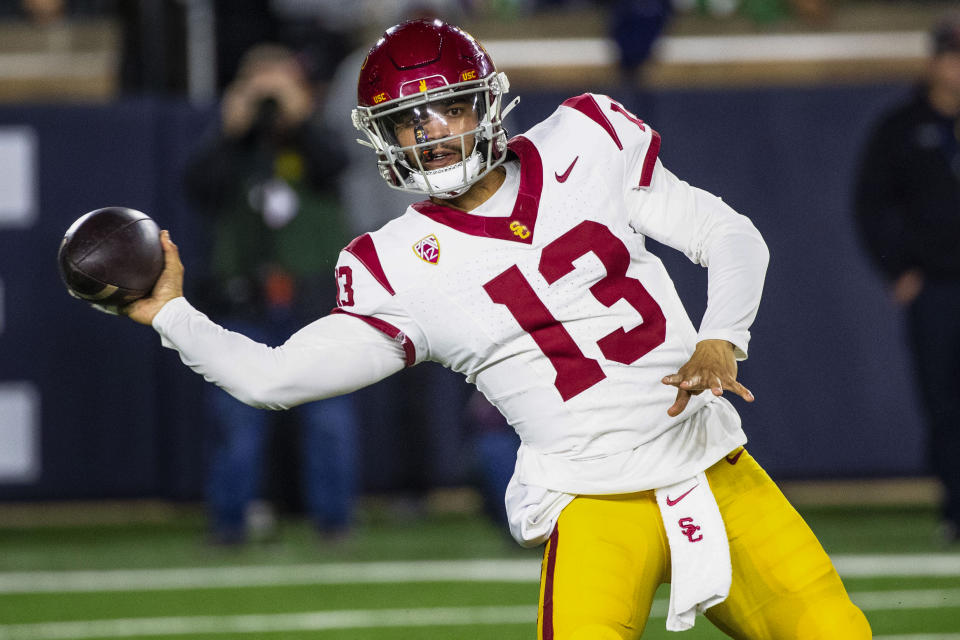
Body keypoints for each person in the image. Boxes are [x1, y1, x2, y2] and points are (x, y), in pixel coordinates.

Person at [125, 18, 869, 637]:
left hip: (713, 465)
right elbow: (273, 377)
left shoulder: (586, 140)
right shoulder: (394, 266)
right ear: (380, 139)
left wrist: (722, 337)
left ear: (487, 104)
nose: (432, 132)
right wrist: (171, 314)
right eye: (407, 120)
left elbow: (731, 236)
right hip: (591, 501)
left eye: (447, 107)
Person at [183, 43, 359, 545]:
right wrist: (230, 131)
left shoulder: (317, 138)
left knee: (328, 420)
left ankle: (335, 522)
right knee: (237, 421)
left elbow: (335, 167)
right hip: (245, 299)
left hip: (314, 300)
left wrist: (299, 119)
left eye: (277, 85)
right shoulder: (230, 150)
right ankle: (228, 522)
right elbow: (198, 188)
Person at [854, 13, 960, 546]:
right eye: (954, 55)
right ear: (935, 60)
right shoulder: (902, 127)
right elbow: (870, 205)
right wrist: (900, 268)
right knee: (944, 401)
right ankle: (956, 509)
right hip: (938, 287)